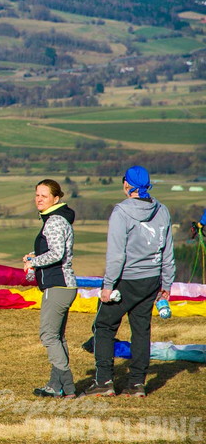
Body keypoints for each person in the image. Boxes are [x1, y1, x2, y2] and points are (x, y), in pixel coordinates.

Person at [84, 166, 175, 398]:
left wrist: (107, 286)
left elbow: (116, 254)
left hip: (125, 280)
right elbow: (167, 252)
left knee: (104, 327)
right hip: (152, 280)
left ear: (127, 185)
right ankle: (136, 384)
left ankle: (104, 381)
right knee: (141, 330)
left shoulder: (121, 212)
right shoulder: (162, 210)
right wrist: (167, 283)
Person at [23, 179, 78, 398]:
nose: (38, 199)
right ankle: (56, 386)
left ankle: (68, 386)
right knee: (58, 337)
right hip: (63, 285)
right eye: (37, 194)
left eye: (44, 196)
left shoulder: (54, 221)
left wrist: (33, 262)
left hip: (58, 285)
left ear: (56, 199)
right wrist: (34, 257)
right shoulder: (57, 219)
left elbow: (56, 254)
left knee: (48, 336)